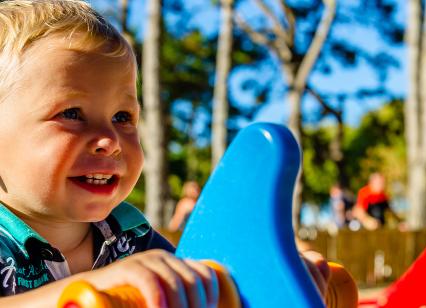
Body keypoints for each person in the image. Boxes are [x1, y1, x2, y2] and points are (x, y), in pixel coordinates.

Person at [0, 1, 329, 306]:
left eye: (122, 117)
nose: (109, 139)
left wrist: (273, 279)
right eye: (72, 114)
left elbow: (205, 287)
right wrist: (91, 286)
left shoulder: (130, 236)